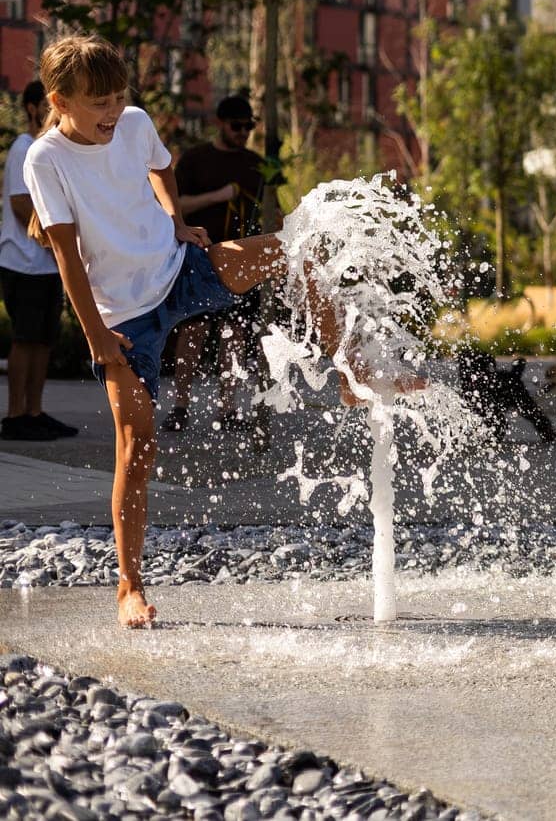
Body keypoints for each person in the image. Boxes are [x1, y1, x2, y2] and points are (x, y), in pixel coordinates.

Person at [24, 34, 422, 628]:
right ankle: (128, 586)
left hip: (180, 268)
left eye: (117, 96)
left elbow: (161, 166)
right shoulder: (45, 160)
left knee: (298, 251)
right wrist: (98, 340)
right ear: (60, 99)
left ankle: (350, 370)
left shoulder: (132, 124)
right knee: (137, 448)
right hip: (125, 319)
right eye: (98, 101)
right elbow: (67, 261)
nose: (111, 110)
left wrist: (177, 222)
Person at [162, 95, 266, 438]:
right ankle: (180, 406)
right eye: (237, 126)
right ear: (220, 123)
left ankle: (228, 407)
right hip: (200, 256)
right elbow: (175, 206)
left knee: (234, 332)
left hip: (241, 262)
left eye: (248, 127)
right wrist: (218, 196)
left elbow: (267, 211)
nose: (243, 133)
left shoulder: (256, 164)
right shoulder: (196, 160)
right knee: (193, 330)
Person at [0, 81, 76, 441]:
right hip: (24, 263)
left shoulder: (52, 150)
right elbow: (19, 204)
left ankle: (35, 410)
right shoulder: (23, 147)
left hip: (48, 264)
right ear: (32, 108)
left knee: (45, 338)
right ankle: (15, 414)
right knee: (25, 337)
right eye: (46, 107)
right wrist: (53, 238)